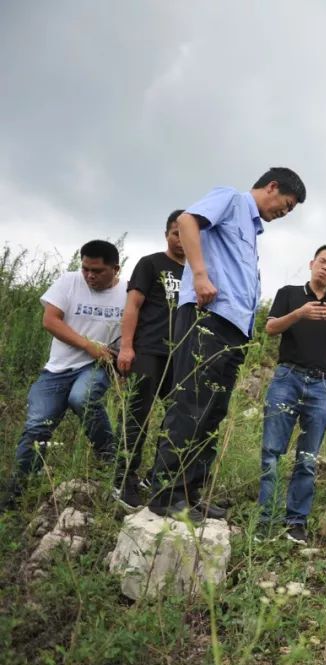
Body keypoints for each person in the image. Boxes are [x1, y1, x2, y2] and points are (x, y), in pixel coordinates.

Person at [147, 167, 306, 523]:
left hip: (233, 329)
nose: (285, 212)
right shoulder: (232, 199)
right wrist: (200, 274)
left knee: (212, 410)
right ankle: (165, 493)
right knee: (191, 402)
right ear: (273, 186)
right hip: (209, 317)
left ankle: (190, 493)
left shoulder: (252, 230)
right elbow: (188, 221)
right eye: (287, 204)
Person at [2, 240, 126, 510]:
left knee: (82, 399)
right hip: (57, 369)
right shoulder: (69, 282)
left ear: (115, 269)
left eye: (97, 271)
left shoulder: (127, 293)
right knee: (37, 425)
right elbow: (50, 320)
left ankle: (115, 465)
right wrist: (87, 345)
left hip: (97, 367)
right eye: (85, 269)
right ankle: (17, 491)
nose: (90, 276)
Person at [257, 245, 326, 544]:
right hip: (288, 377)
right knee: (272, 452)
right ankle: (266, 520)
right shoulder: (289, 293)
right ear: (312, 263)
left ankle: (296, 521)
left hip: (323, 385)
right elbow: (270, 328)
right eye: (321, 261)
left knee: (308, 457)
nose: (325, 267)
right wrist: (299, 313)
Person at [113, 210, 186, 508]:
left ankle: (158, 478)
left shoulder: (199, 271)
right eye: (174, 233)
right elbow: (133, 305)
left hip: (182, 357)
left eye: (186, 233)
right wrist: (127, 347)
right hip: (148, 350)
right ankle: (124, 479)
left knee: (177, 422)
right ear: (166, 234)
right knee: (136, 418)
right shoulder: (151, 264)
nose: (180, 240)